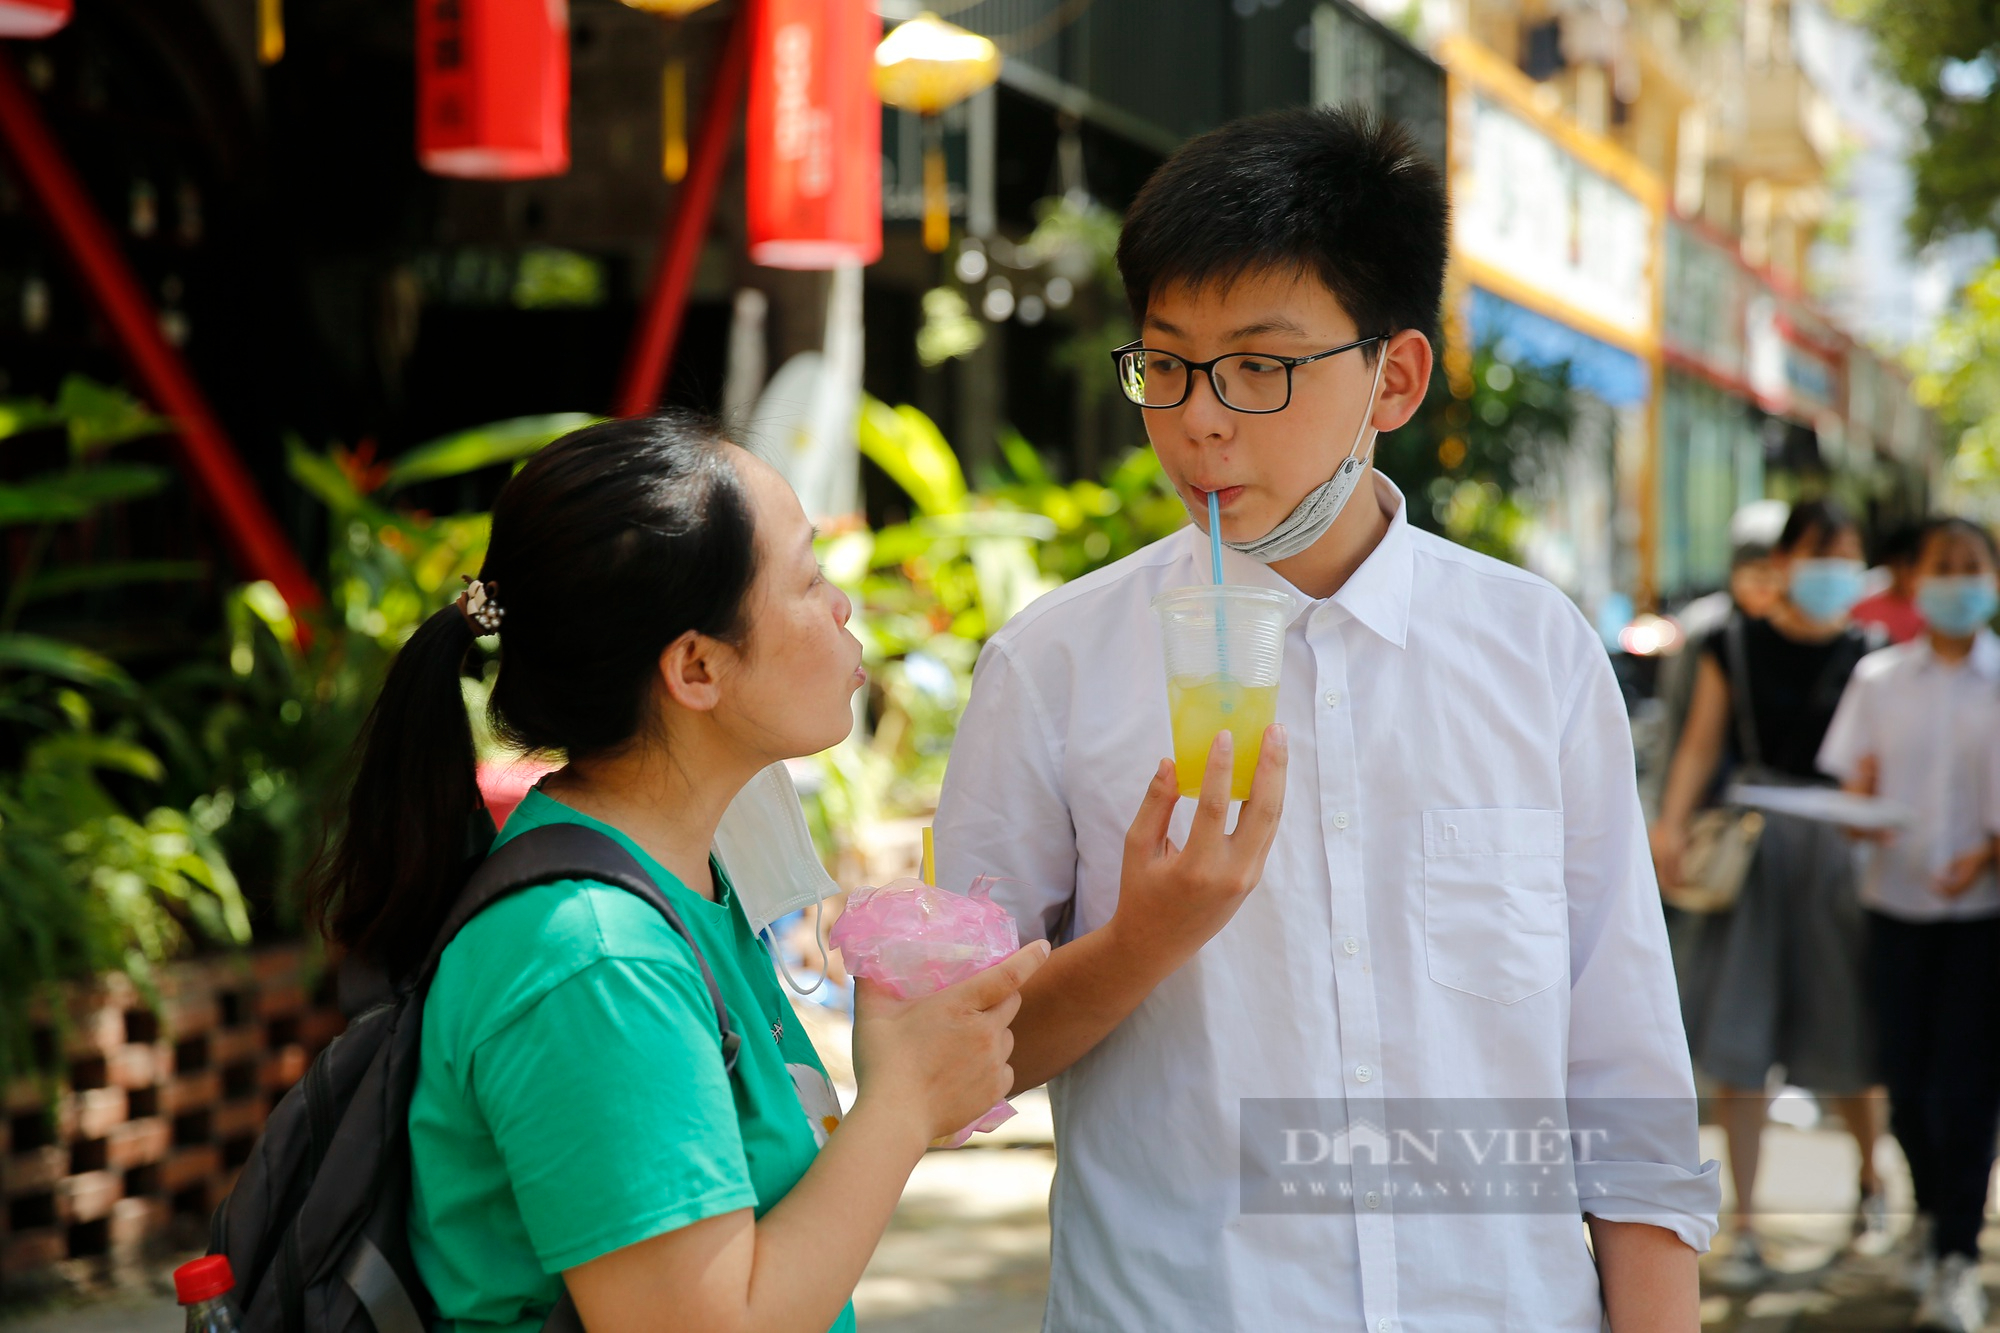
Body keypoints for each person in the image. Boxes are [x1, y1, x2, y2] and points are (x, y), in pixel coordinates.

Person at [933, 105, 1715, 1333]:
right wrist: (1145, 937)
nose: (1199, 419)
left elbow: (1621, 1066)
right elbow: (949, 1063)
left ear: (1392, 377)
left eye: (1258, 366)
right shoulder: (1053, 665)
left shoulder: (1531, 652)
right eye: (1169, 363)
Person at [305, 414, 1059, 1333]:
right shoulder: (595, 959)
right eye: (810, 577)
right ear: (696, 667)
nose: (843, 606)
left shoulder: (683, 876)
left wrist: (901, 1076)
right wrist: (901, 1105)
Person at [1651, 498, 1882, 1289]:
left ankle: (1872, 1185)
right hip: (1750, 850)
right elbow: (1699, 743)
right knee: (1737, 1042)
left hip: (1843, 855)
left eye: (1846, 555)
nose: (1832, 571)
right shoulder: (1730, 643)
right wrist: (1670, 824)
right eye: (1819, 553)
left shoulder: (1872, 652)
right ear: (1783, 562)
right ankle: (1744, 1222)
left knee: (1849, 1034)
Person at [1818, 516, 2000, 1333]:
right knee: (1907, 1085)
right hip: (1894, 907)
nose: (1958, 581)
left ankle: (1959, 1251)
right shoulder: (1880, 680)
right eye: (1943, 566)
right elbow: (1852, 790)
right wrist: (1859, 810)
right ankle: (1932, 1214)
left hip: (1982, 917)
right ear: (1912, 578)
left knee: (1968, 1088)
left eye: (1973, 567)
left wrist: (1987, 851)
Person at [1851, 522, 1927, 645]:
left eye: (1912, 564)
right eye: (1898, 564)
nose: (1904, 571)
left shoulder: (1933, 614)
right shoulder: (1862, 610)